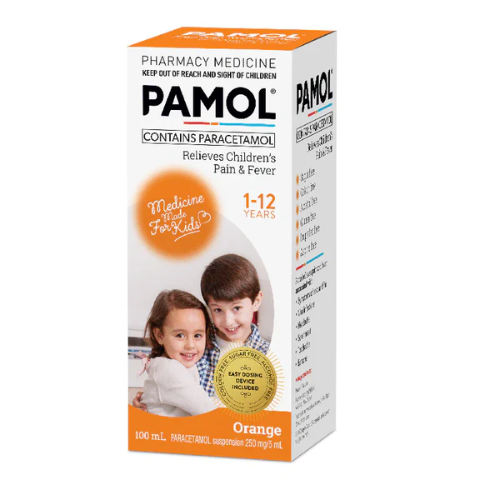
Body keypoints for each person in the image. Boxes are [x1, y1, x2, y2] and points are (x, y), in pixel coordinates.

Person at [197, 253, 270, 396]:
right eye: (218, 310)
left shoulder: (268, 355)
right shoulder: (198, 345)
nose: (228, 321)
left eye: (236, 308)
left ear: (256, 302)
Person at [139, 289, 216, 417]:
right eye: (180, 335)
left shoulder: (177, 364)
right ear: (159, 335)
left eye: (197, 335)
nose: (190, 345)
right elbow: (208, 411)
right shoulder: (169, 369)